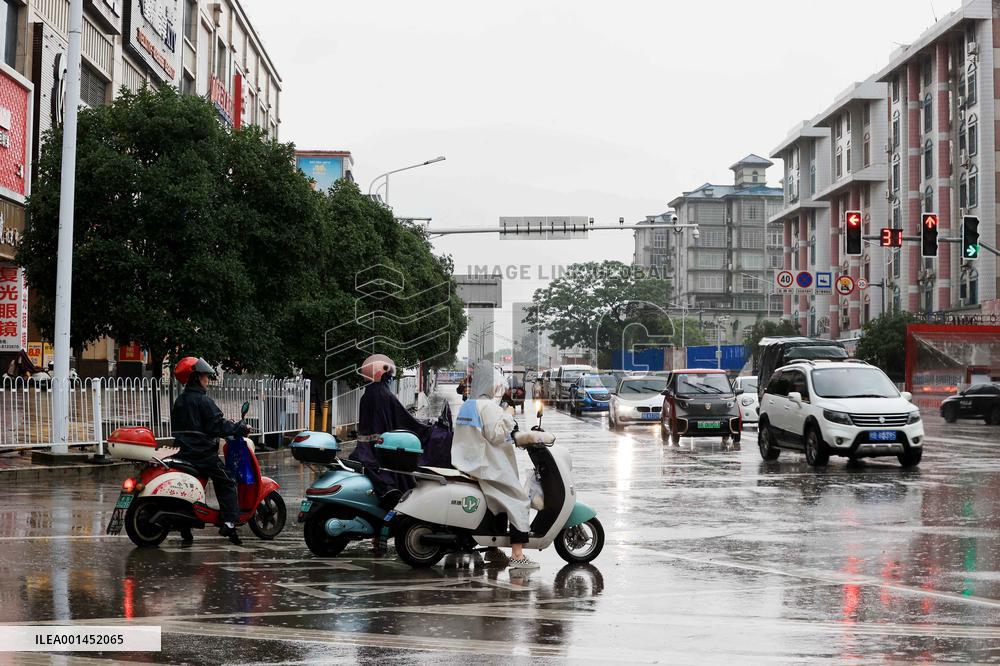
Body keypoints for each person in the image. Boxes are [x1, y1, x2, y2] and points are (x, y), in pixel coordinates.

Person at [452, 361, 538, 570]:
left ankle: (492, 550)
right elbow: (496, 435)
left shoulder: (468, 405)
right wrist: (508, 416)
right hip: (488, 465)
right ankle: (517, 554)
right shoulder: (488, 407)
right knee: (518, 499)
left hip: (469, 462)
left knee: (496, 504)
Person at [170, 356, 250, 545]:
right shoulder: (203, 401)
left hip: (182, 452)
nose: (207, 379)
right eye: (205, 376)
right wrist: (239, 428)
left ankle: (185, 528)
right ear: (196, 378)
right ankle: (230, 522)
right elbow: (217, 424)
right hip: (202, 454)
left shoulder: (180, 401)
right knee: (227, 479)